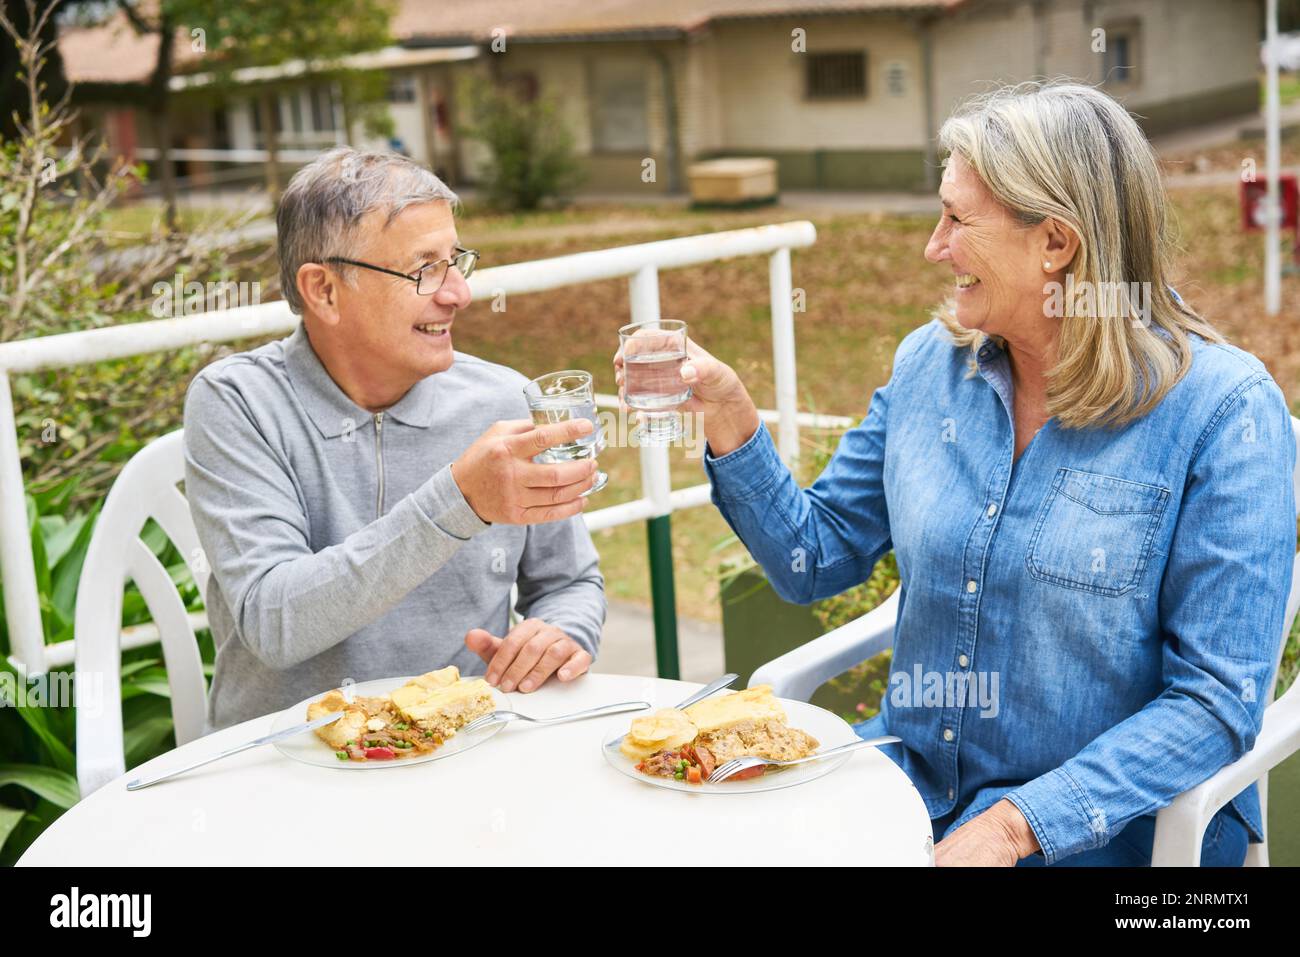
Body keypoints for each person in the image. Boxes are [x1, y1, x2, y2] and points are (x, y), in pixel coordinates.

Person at [618, 82, 1294, 866]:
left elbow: (1214, 704)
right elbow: (815, 557)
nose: (933, 247)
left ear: (1056, 243)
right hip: (910, 789)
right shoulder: (929, 369)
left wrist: (1017, 824)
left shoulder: (1223, 412)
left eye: (957, 221)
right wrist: (731, 415)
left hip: (1112, 834)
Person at [185, 147, 606, 731]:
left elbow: (570, 582)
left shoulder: (503, 401)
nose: (457, 292)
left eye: (456, 260)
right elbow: (274, 623)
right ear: (324, 291)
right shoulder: (238, 404)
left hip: (463, 748)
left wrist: (560, 633)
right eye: (423, 268)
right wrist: (460, 502)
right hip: (288, 765)